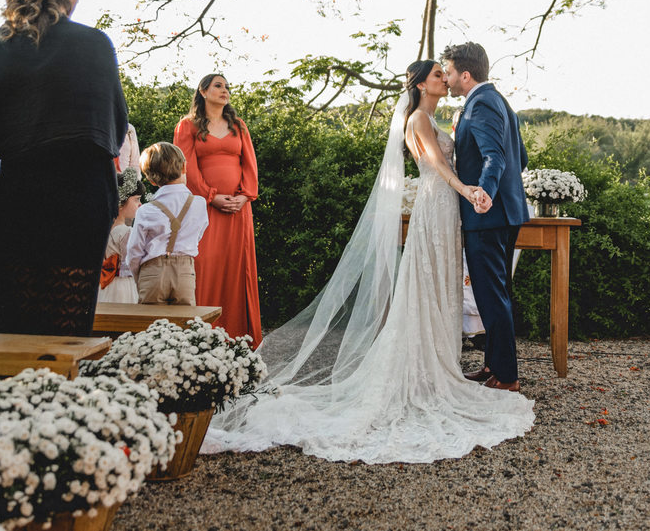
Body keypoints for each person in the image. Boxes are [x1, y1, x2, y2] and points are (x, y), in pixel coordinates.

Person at [204, 60, 534, 464]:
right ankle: (425, 368)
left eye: (444, 73)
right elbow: (437, 165)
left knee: (442, 286)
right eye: (437, 75)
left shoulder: (435, 115)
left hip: (450, 210)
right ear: (420, 84)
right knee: (428, 284)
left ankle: (441, 362)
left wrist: (465, 192)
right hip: (440, 203)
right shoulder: (417, 119)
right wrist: (467, 189)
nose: (444, 79)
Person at [0, 0, 127, 335]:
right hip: (80, 197)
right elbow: (114, 126)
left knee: (16, 323)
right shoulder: (94, 42)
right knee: (68, 325)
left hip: (17, 196)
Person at [442, 41, 529, 391]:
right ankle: (494, 366)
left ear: (465, 74)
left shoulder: (479, 106)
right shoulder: (498, 101)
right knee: (498, 293)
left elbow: (497, 158)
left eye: (448, 72)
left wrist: (485, 194)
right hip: (504, 214)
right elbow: (520, 158)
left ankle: (507, 377)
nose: (446, 79)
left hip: (488, 216)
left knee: (490, 296)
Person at [173, 74, 261, 344]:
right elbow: (185, 167)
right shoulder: (187, 126)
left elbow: (250, 164)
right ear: (203, 91)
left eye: (226, 86)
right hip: (204, 209)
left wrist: (245, 196)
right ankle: (203, 336)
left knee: (237, 270)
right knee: (205, 266)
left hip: (237, 211)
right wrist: (212, 197)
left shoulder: (238, 126)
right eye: (218, 86)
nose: (225, 91)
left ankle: (238, 337)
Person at [127, 142, 209, 306]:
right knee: (184, 326)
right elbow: (197, 235)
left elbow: (134, 251)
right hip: (185, 272)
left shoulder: (146, 210)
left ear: (150, 179)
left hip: (152, 271)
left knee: (149, 327)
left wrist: (140, 277)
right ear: (184, 167)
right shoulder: (199, 204)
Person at [100, 168, 144, 304]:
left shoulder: (101, 231)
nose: (140, 204)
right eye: (136, 200)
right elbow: (135, 264)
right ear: (120, 203)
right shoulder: (127, 233)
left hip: (102, 287)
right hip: (123, 287)